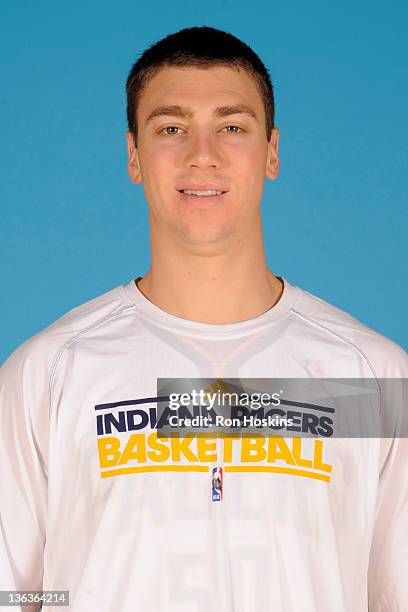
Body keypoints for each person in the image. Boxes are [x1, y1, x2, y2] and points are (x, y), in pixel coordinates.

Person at [0, 25, 407, 612]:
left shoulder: (371, 380)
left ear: (271, 151)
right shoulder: (51, 375)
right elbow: (19, 597)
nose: (202, 155)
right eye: (171, 128)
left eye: (232, 127)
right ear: (134, 157)